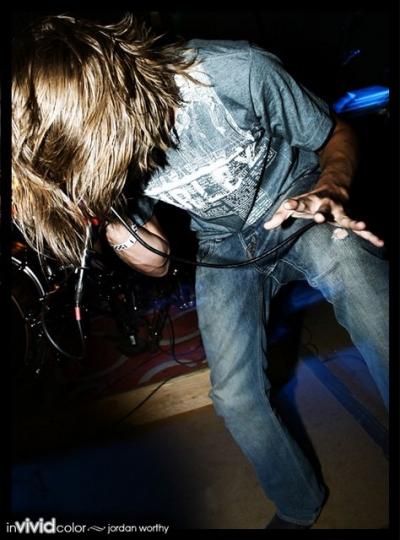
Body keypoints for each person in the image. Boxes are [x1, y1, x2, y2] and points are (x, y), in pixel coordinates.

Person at [12, 13, 388, 529]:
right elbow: (158, 261)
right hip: (222, 246)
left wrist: (332, 187)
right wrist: (113, 224)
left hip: (299, 206)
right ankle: (299, 506)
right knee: (234, 395)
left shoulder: (234, 70)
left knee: (374, 307)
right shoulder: (95, 155)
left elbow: (334, 134)